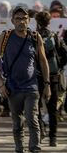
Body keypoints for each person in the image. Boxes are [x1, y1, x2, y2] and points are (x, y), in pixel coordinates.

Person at [0, 6, 51, 153]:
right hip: (12, 88)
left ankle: (34, 149)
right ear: (12, 20)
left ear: (29, 20)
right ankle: (19, 149)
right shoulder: (5, 37)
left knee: (32, 120)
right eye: (18, 19)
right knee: (17, 123)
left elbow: (43, 61)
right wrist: (0, 84)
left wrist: (47, 84)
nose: (21, 22)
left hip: (32, 87)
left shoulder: (35, 37)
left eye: (24, 18)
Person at [35, 11, 67, 147]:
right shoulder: (55, 36)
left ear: (37, 22)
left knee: (36, 107)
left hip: (36, 76)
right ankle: (53, 138)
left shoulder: (34, 36)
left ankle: (40, 130)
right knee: (52, 109)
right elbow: (65, 54)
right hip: (53, 77)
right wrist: (58, 66)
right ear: (49, 22)